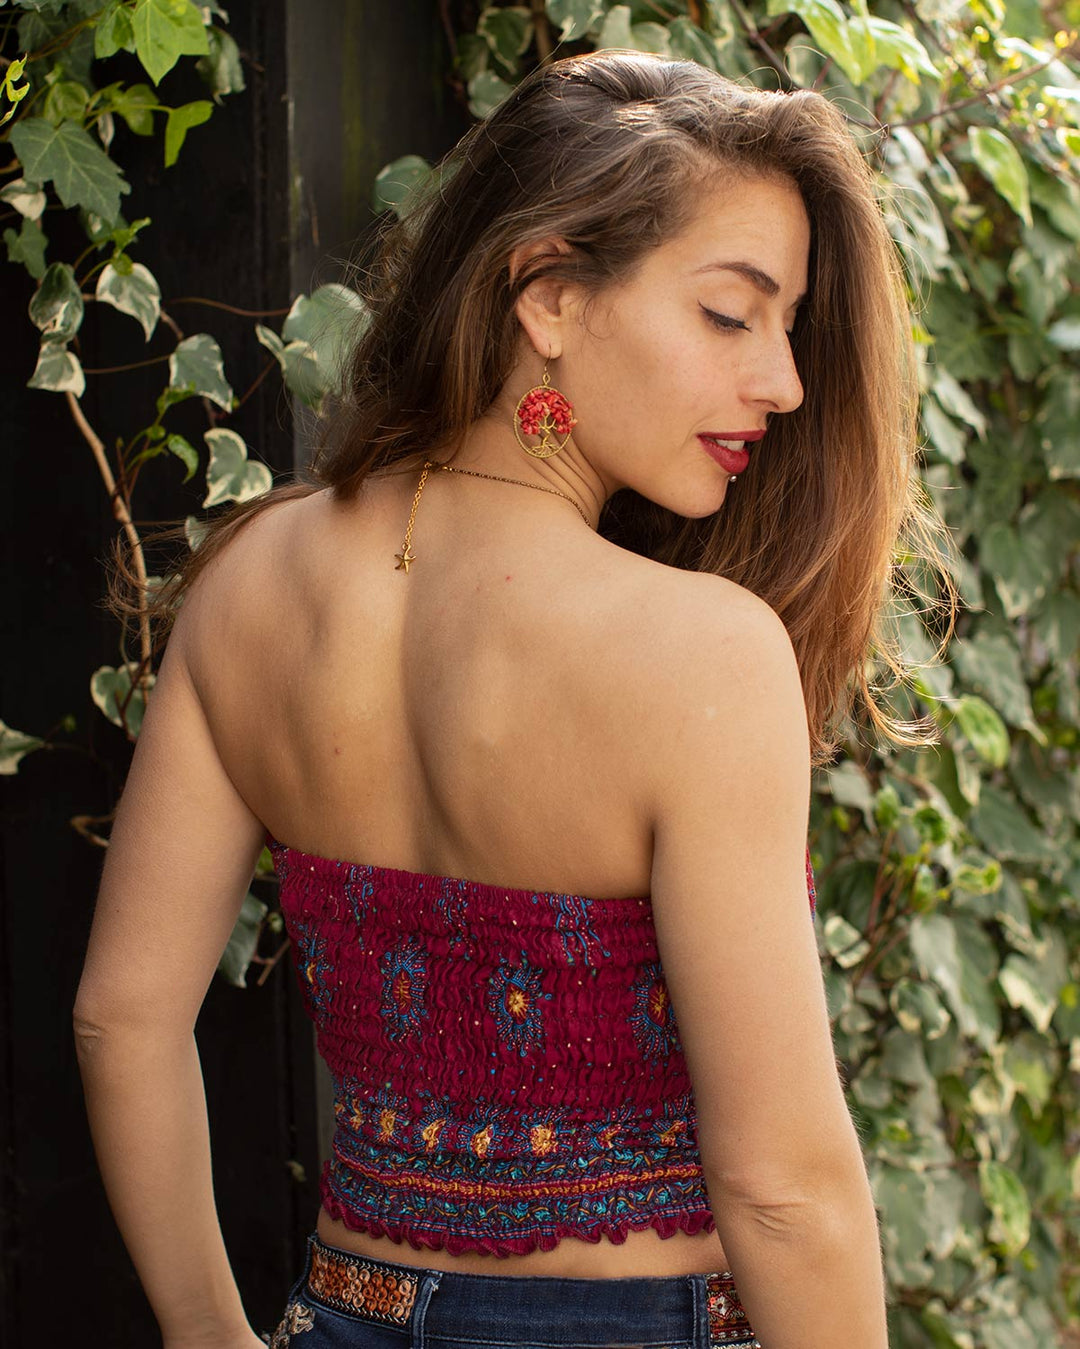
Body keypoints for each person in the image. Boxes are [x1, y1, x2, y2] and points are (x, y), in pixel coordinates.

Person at [74, 47, 955, 1349]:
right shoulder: (701, 654)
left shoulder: (252, 578)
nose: (785, 382)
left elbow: (122, 1014)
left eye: (788, 325)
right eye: (732, 314)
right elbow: (781, 1187)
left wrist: (213, 1334)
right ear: (547, 294)